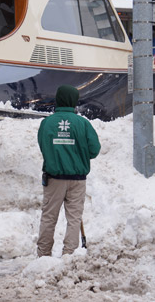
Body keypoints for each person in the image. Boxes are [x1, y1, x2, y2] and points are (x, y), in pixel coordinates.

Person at [37, 85, 101, 257]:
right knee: (74, 218)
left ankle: (43, 255)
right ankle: (69, 255)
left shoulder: (47, 123)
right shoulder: (83, 124)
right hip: (78, 180)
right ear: (74, 100)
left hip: (54, 179)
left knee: (49, 217)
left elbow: (43, 146)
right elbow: (94, 150)